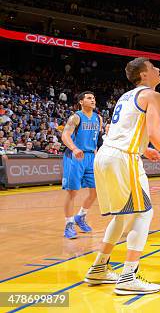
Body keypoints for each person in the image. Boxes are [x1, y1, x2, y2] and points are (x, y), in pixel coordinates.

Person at [83, 57, 160, 295]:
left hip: (105, 154)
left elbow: (118, 130)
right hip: (122, 158)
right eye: (153, 66)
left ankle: (99, 268)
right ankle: (129, 275)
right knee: (144, 213)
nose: (158, 69)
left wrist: (143, 148)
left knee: (122, 216)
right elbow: (155, 133)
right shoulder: (152, 95)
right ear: (144, 75)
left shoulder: (125, 96)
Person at [60, 91, 102, 239]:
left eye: (93, 97)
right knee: (72, 192)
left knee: (95, 191)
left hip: (90, 157)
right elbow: (65, 135)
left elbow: (96, 139)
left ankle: (80, 216)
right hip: (75, 156)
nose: (93, 100)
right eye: (89, 98)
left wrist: (97, 155)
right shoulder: (76, 117)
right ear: (81, 102)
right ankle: (69, 224)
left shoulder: (98, 118)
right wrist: (74, 148)